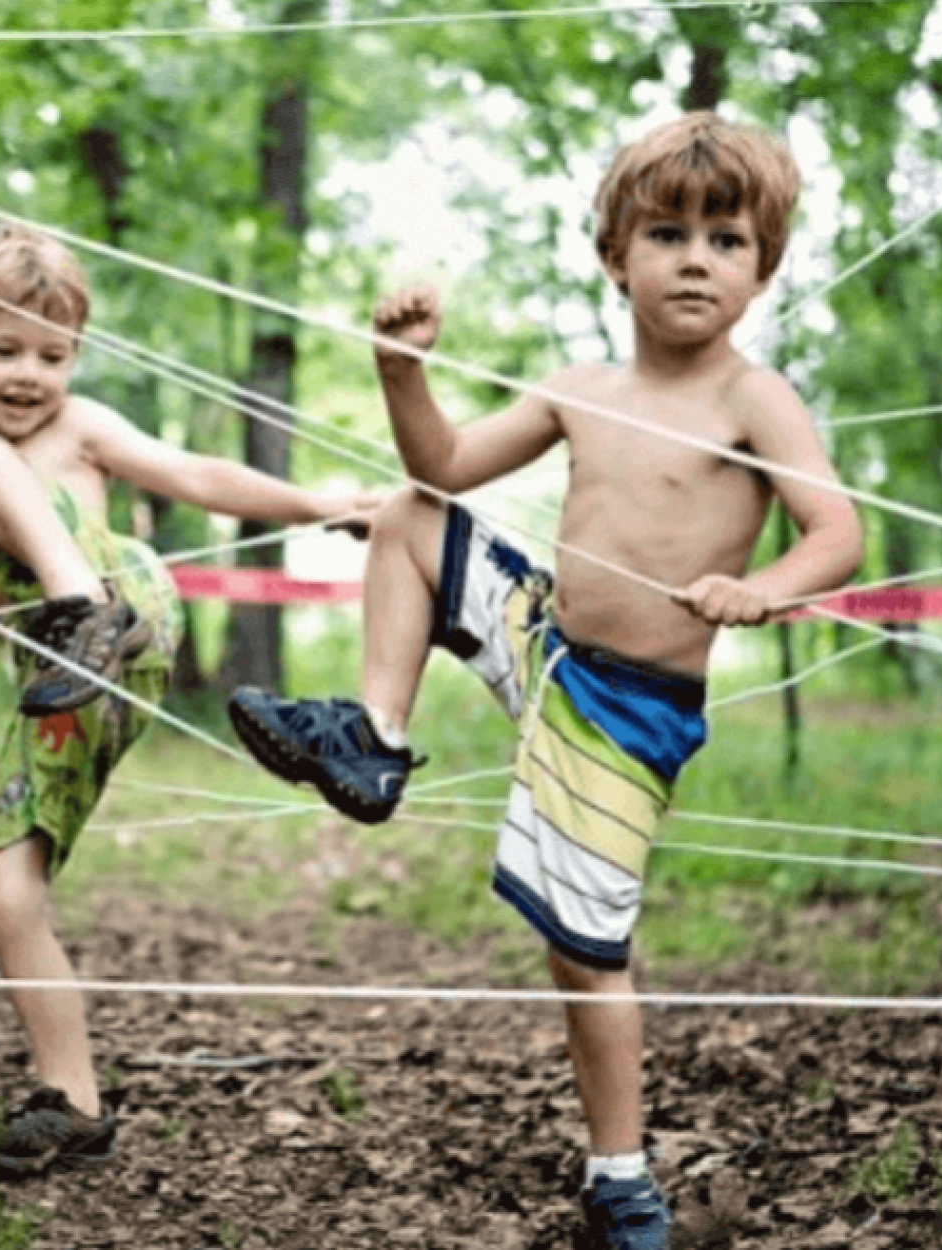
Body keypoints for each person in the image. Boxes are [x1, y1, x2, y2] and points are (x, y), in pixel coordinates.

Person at [227, 111, 863, 1249]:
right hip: (546, 645)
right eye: (667, 232)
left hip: (629, 711)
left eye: (726, 238)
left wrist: (767, 586)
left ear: (763, 268)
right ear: (618, 256)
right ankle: (373, 735)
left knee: (582, 951)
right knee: (411, 515)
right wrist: (399, 370)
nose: (695, 257)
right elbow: (446, 463)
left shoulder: (753, 400)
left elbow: (838, 530)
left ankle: (620, 1175)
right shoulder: (580, 385)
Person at [0, 221, 380, 1175]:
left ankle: (80, 605)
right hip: (66, 679)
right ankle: (74, 1106)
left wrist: (321, 504)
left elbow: (195, 477)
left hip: (123, 620)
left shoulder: (67, 431)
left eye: (53, 355)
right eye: (4, 349)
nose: (30, 375)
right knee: (2, 889)